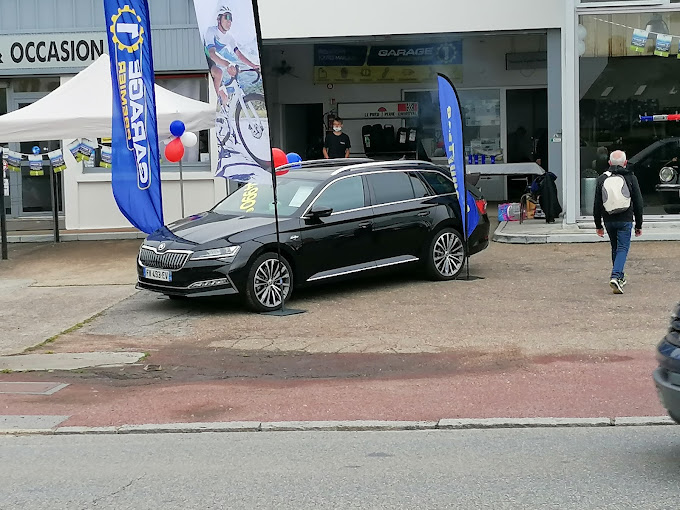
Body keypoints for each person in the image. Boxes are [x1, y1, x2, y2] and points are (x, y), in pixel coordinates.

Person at [593, 150, 644, 294]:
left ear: (609, 163)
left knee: (615, 247)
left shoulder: (602, 178)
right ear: (625, 163)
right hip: (625, 218)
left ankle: (620, 277)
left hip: (608, 219)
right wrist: (639, 224)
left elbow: (597, 204)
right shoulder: (631, 177)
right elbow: (638, 203)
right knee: (622, 248)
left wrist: (598, 225)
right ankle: (615, 276)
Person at [203, 5, 260, 107]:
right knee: (219, 72)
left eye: (231, 18)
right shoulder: (211, 31)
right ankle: (211, 107)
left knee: (225, 97)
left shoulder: (229, 37)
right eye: (226, 17)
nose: (229, 21)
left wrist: (253, 65)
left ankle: (223, 118)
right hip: (205, 60)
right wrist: (228, 64)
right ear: (218, 19)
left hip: (214, 61)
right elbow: (211, 53)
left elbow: (239, 55)